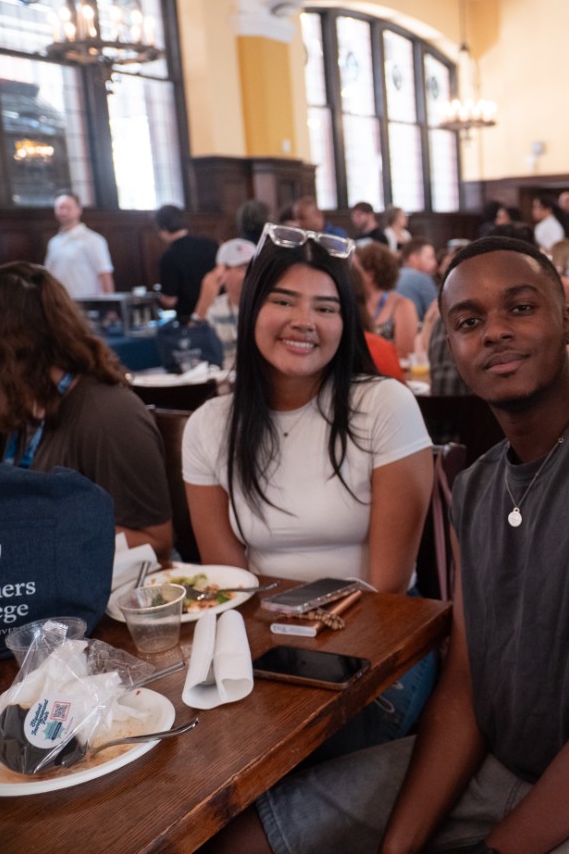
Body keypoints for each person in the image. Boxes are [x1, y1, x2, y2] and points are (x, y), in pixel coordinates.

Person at [231, 235, 569, 854]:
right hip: (511, 765)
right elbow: (467, 689)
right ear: (453, 346)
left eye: (520, 308)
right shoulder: (476, 488)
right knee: (249, 837)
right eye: (469, 321)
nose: (494, 331)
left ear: (568, 321)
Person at [183, 224, 437, 753]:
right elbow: (231, 584)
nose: (305, 322)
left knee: (296, 758)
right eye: (284, 301)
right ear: (252, 307)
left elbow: (386, 587)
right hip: (263, 641)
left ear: (346, 321)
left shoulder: (384, 406)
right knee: (202, 748)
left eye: (326, 307)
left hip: (379, 641)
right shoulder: (209, 426)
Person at [0, 263, 172, 559]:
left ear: (11, 350)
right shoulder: (18, 405)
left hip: (110, 593)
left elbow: (156, 543)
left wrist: (34, 531)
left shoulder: (109, 416)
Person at [193, 238, 254, 371]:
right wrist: (205, 300)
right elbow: (195, 352)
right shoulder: (213, 310)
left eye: (253, 266)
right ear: (222, 271)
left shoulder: (265, 307)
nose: (250, 274)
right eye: (242, 267)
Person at [154, 204, 218, 322]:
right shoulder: (211, 245)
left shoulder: (169, 257)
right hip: (218, 314)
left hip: (191, 320)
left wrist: (157, 296)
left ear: (162, 229)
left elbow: (170, 300)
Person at [45, 191, 114, 297]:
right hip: (61, 303)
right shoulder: (54, 242)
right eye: (59, 208)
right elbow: (49, 274)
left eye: (68, 208)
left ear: (78, 210)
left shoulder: (93, 240)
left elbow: (104, 274)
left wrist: (110, 306)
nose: (63, 212)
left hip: (87, 303)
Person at [354, 243, 417, 357]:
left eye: (355, 271)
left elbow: (405, 355)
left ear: (370, 276)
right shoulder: (356, 304)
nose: (350, 276)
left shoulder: (402, 306)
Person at [395, 236, 439, 321]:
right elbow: (437, 316)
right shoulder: (422, 278)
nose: (435, 263)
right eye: (430, 257)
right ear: (414, 259)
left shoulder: (393, 276)